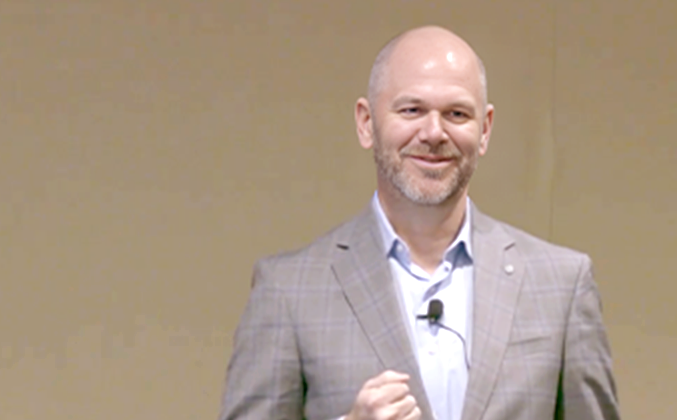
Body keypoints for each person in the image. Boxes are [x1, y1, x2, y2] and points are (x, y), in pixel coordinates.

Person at [217, 25, 620, 420]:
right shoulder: (289, 291)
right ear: (366, 122)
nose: (433, 132)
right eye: (411, 110)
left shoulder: (561, 285)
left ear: (485, 130)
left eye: (456, 113)